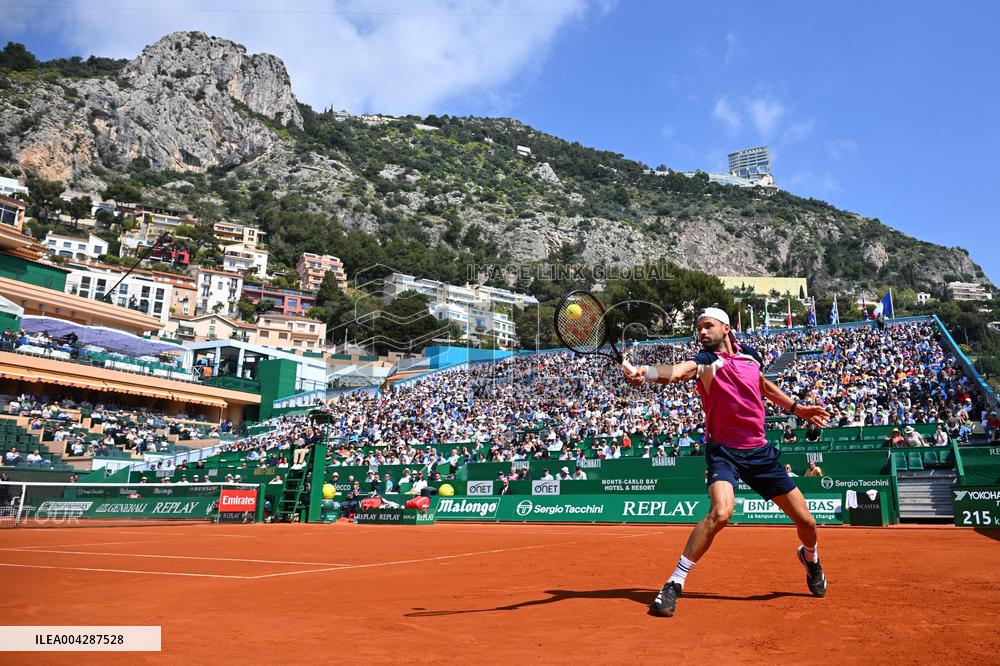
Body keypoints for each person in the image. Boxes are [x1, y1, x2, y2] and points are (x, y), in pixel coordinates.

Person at [624, 307, 830, 617]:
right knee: (721, 513)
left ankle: (811, 560)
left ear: (726, 328)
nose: (702, 332)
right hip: (724, 452)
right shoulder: (706, 362)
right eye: (699, 328)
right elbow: (678, 371)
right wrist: (648, 372)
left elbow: (761, 384)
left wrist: (795, 407)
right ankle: (673, 584)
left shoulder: (750, 356)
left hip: (760, 453)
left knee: (808, 523)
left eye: (708, 326)